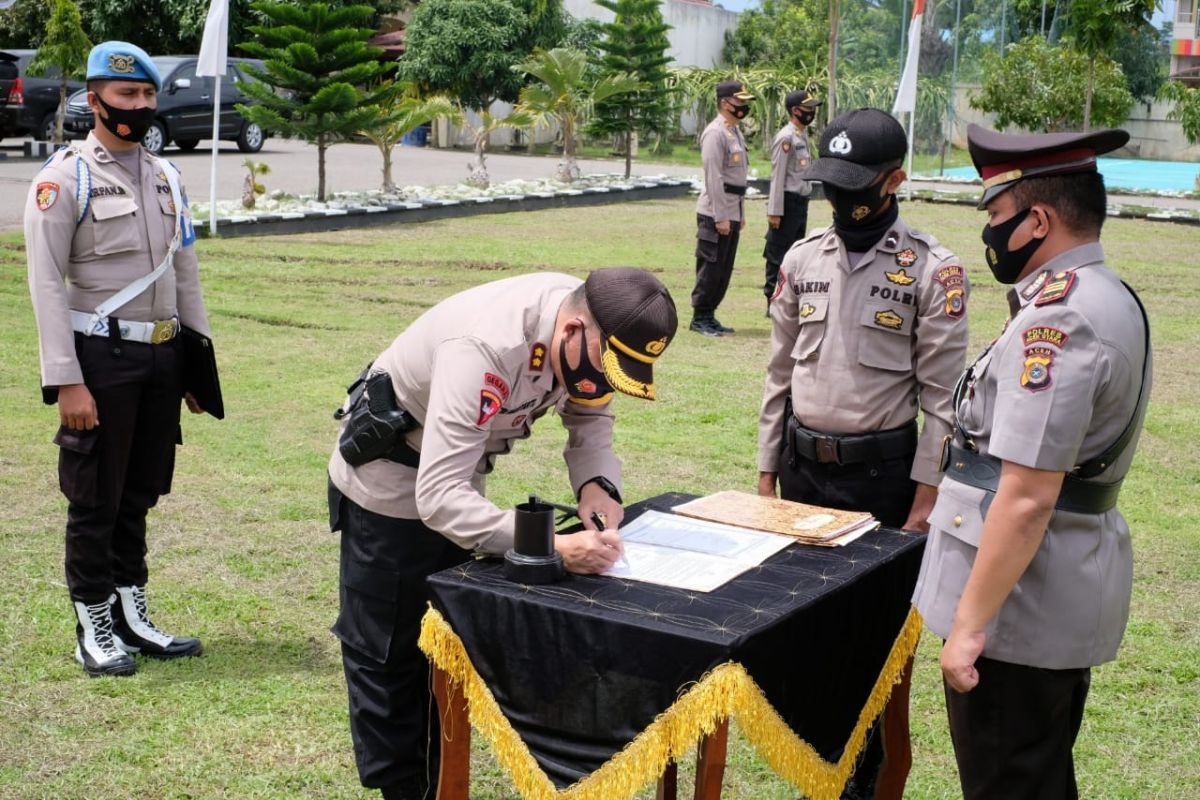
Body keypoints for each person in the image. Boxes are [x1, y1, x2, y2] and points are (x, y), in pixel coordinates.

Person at [326, 268, 678, 800]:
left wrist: (598, 486)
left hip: (455, 481)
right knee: (391, 659)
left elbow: (591, 417)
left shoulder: (588, 328)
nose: (604, 383)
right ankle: (402, 790)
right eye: (606, 368)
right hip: (389, 489)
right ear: (573, 329)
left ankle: (439, 784)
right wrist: (553, 546)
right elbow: (438, 498)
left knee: (444, 653)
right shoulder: (486, 347)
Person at [912, 124, 1151, 799]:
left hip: (1017, 616)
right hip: (1042, 597)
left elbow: (1025, 495)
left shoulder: (1062, 319)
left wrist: (968, 625)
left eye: (996, 216)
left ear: (1037, 218)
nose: (989, 232)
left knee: (1010, 782)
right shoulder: (1103, 294)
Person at [756, 108, 970, 797]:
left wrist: (926, 499)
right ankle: (818, 771)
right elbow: (778, 373)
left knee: (870, 651)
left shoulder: (934, 271)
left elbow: (942, 400)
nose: (842, 200)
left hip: (881, 486)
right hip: (801, 474)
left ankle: (864, 784)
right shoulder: (801, 258)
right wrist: (765, 474)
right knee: (806, 637)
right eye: (832, 184)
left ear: (895, 181)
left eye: (857, 185)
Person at [24, 42, 209, 678]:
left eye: (148, 96)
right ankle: (93, 625)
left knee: (139, 494)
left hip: (159, 358)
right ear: (95, 100)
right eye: (126, 95)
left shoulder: (167, 176)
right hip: (99, 359)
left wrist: (194, 363)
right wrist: (66, 379)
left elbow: (185, 270)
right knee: (96, 499)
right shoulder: (64, 178)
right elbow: (46, 282)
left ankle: (133, 614)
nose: (140, 106)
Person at [690, 78, 753, 337]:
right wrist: (721, 216)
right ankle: (699, 317)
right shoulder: (715, 133)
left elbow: (738, 178)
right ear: (725, 103)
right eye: (740, 102)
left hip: (732, 208)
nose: (743, 106)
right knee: (711, 265)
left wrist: (740, 213)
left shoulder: (733, 131)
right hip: (716, 210)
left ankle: (710, 314)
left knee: (724, 268)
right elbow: (713, 177)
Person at [763, 89, 820, 307]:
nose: (811, 112)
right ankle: (772, 299)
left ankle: (787, 298)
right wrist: (774, 211)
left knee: (795, 252)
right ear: (795, 110)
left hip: (799, 201)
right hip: (786, 201)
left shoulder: (802, 135)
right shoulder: (786, 137)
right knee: (778, 252)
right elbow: (777, 177)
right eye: (808, 108)